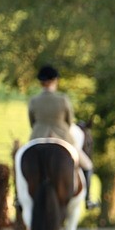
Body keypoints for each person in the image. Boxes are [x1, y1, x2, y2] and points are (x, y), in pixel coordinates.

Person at [28, 64, 95, 208]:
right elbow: (69, 121)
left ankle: (18, 199)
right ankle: (88, 199)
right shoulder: (62, 99)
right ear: (55, 81)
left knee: (19, 160)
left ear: (41, 82)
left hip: (37, 137)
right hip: (62, 138)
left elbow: (32, 122)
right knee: (88, 165)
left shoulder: (34, 100)